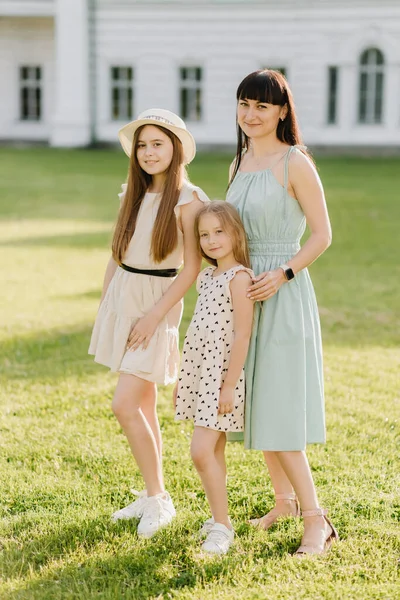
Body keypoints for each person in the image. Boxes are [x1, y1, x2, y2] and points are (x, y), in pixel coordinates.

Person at [226, 70, 338, 555]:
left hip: (284, 292)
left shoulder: (296, 163)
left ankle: (317, 520)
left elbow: (322, 235)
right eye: (244, 104)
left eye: (262, 107)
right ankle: (284, 502)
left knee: (280, 407)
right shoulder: (240, 161)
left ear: (282, 111)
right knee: (259, 403)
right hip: (245, 295)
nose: (251, 115)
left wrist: (284, 273)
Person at [89, 108, 209, 538]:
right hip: (124, 297)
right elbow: (117, 254)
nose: (148, 152)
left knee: (124, 404)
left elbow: (191, 269)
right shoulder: (133, 193)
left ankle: (159, 499)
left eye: (158, 143)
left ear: (175, 148)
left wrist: (155, 316)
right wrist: (107, 304)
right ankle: (151, 492)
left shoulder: (189, 199)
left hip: (157, 305)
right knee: (141, 404)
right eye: (142, 144)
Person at [174, 201, 254, 554]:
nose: (211, 240)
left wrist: (228, 385)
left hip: (222, 380)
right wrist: (183, 377)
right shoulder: (207, 277)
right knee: (214, 450)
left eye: (219, 232)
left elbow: (242, 335)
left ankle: (222, 525)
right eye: (204, 234)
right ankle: (218, 518)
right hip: (201, 375)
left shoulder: (239, 278)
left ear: (236, 232)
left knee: (200, 450)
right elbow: (198, 331)